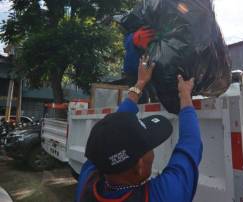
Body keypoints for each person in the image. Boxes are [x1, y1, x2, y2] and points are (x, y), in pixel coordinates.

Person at [75, 55, 203, 202]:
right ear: (139, 166)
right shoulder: (161, 196)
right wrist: (185, 95)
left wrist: (140, 83)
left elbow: (115, 127)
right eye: (151, 145)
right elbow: (190, 143)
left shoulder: (89, 180)